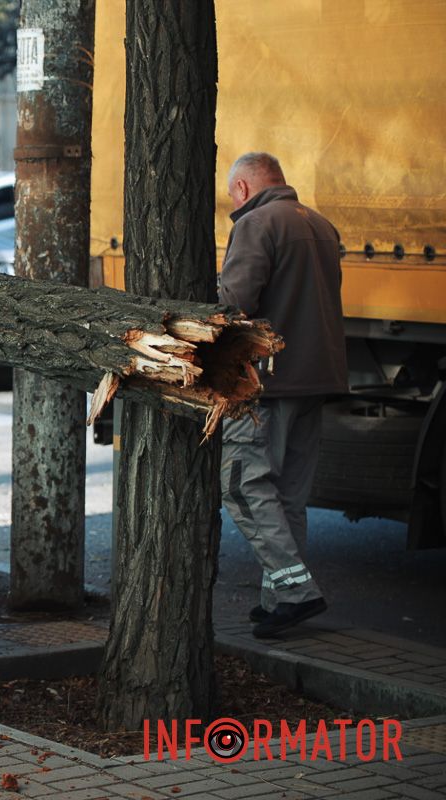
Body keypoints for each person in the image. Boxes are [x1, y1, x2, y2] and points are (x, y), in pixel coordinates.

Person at [218, 152, 348, 638]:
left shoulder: (256, 224)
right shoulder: (321, 225)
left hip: (267, 382)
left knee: (242, 485)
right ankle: (278, 598)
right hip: (317, 377)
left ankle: (295, 592)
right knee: (289, 493)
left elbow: (234, 303)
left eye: (232, 196)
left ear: (242, 188)